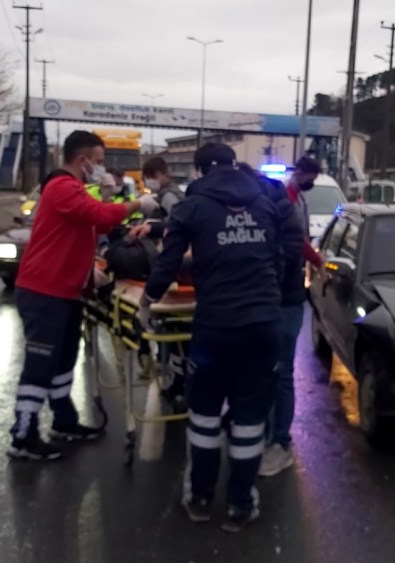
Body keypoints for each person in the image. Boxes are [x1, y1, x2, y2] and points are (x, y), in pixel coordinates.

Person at [138, 143, 284, 532]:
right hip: (264, 326)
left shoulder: (193, 207)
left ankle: (200, 499)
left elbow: (168, 263)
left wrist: (147, 303)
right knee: (250, 419)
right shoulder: (265, 204)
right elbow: (279, 261)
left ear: (200, 171)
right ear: (234, 166)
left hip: (216, 327)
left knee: (204, 415)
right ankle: (241, 505)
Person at [8, 130, 156, 461]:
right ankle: (23, 435)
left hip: (65, 289)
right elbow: (99, 217)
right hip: (45, 291)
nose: (102, 168)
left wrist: (108, 200)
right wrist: (136, 204)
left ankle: (64, 420)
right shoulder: (61, 187)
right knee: (39, 365)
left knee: (63, 360)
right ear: (82, 160)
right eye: (99, 162)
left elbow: (97, 224)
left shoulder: (74, 189)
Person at [257, 156, 324, 477]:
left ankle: (279, 441)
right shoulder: (287, 199)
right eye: (311, 176)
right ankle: (269, 434)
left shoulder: (293, 202)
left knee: (279, 372)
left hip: (284, 297)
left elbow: (299, 243)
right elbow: (300, 243)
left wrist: (317, 260)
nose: (311, 181)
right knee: (271, 371)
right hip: (278, 298)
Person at [130, 157, 186, 241]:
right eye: (147, 177)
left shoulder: (168, 195)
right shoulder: (162, 194)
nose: (150, 180)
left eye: (154, 176)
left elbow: (177, 222)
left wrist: (153, 226)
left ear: (166, 175)